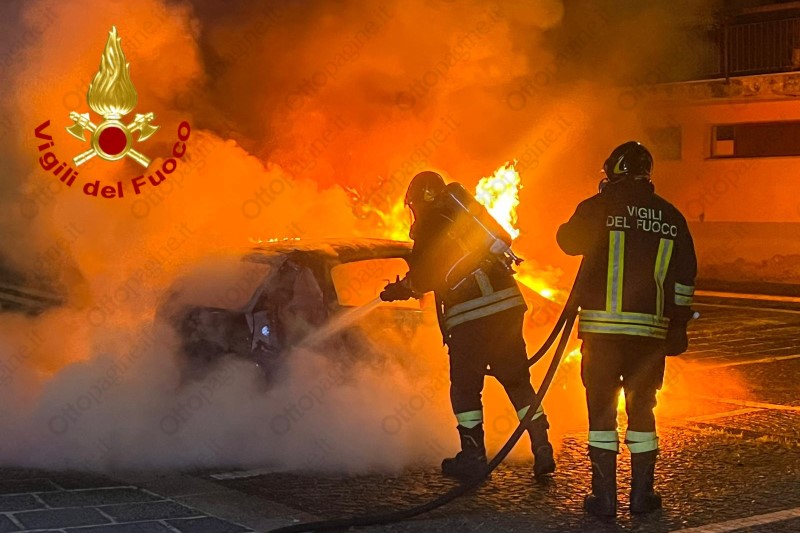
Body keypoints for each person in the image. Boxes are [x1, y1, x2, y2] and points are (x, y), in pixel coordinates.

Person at [380, 170, 555, 480]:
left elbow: (426, 276)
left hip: (470, 317)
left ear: (419, 202)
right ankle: (542, 445)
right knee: (517, 380)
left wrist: (401, 289)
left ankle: (473, 456)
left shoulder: (430, 226)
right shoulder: (467, 218)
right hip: (507, 306)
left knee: (465, 388)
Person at [556, 141, 697, 516]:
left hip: (602, 335)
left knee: (602, 412)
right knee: (642, 410)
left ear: (613, 171)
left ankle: (603, 499)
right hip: (649, 337)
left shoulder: (598, 207)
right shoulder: (671, 217)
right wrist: (678, 326)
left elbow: (567, 241)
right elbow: (685, 278)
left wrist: (597, 207)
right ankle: (641, 497)